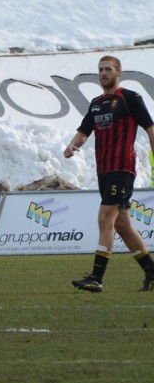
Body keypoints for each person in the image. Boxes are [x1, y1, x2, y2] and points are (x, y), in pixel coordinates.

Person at [64, 55, 154, 293]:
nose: (103, 73)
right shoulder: (96, 103)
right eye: (101, 70)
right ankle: (152, 273)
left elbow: (150, 127)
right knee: (123, 226)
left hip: (122, 168)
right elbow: (84, 131)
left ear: (118, 72)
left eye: (108, 69)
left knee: (105, 219)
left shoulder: (130, 98)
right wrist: (73, 145)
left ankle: (96, 277)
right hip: (104, 171)